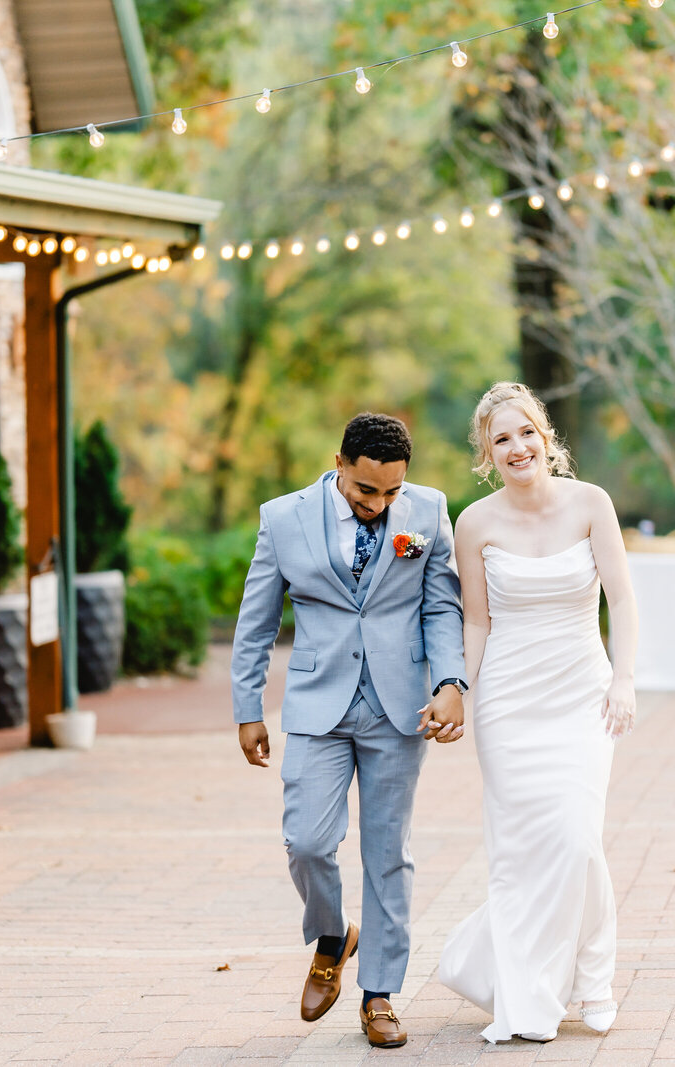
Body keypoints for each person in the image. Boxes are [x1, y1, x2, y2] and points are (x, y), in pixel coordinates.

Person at [230, 412, 468, 1050]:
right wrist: (247, 706)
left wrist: (451, 683)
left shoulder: (429, 510)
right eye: (367, 491)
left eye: (392, 492)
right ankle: (333, 937)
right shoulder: (283, 518)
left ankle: (380, 994)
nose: (379, 505)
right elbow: (256, 619)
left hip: (399, 705)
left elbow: (441, 602)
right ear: (339, 464)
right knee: (307, 842)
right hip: (317, 705)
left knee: (389, 854)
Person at [437, 381, 638, 1043]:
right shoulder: (475, 523)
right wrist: (458, 691)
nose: (516, 447)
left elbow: (623, 601)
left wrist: (625, 679)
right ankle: (528, 994)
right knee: (522, 854)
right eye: (501, 439)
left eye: (526, 432)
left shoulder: (591, 503)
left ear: (545, 436)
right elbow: (475, 620)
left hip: (583, 694)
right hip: (508, 703)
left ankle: (593, 979)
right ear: (486, 454)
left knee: (578, 840)